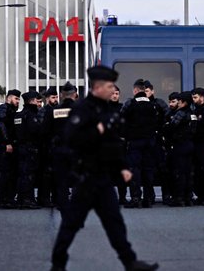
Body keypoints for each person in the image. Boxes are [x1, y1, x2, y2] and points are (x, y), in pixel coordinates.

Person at [51, 66, 158, 271]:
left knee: (115, 223)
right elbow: (72, 138)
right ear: (98, 87)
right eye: (109, 86)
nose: (113, 90)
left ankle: (130, 262)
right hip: (86, 178)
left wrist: (123, 167)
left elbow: (112, 143)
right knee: (71, 224)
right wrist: (96, 130)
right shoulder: (83, 108)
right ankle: (58, 264)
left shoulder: (107, 108)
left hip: (103, 178)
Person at [122, 81, 160, 208]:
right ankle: (148, 198)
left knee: (134, 169)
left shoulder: (131, 104)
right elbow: (157, 121)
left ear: (135, 91)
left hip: (135, 141)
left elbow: (122, 119)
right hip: (149, 142)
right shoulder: (153, 105)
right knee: (148, 170)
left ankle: (136, 198)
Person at [47, 82, 79, 212]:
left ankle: (62, 203)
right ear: (74, 95)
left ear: (61, 95)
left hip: (59, 150)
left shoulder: (54, 111)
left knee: (61, 179)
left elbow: (45, 131)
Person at [163, 92, 194, 207]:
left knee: (179, 173)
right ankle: (188, 198)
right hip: (190, 144)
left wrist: (166, 127)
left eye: (179, 101)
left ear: (184, 102)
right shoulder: (192, 114)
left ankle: (179, 198)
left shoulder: (180, 113)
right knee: (188, 172)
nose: (178, 103)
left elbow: (171, 127)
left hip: (179, 145)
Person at [15, 91, 44, 209]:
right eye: (36, 101)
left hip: (20, 148)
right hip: (30, 148)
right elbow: (35, 131)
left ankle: (21, 199)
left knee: (22, 174)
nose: (38, 103)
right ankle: (28, 200)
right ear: (31, 101)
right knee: (29, 175)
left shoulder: (18, 115)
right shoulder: (31, 115)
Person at [0, 89, 21, 209]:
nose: (18, 101)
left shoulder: (12, 111)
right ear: (8, 98)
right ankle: (0, 200)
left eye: (19, 99)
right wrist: (7, 143)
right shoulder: (3, 108)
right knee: (4, 173)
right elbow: (1, 125)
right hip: (6, 147)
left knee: (11, 174)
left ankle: (8, 199)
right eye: (16, 98)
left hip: (11, 146)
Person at [37, 87, 59, 208]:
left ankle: (55, 198)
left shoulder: (59, 110)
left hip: (56, 147)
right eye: (53, 97)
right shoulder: (43, 111)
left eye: (56, 97)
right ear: (47, 98)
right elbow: (41, 130)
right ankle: (44, 198)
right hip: (46, 147)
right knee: (45, 175)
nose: (55, 99)